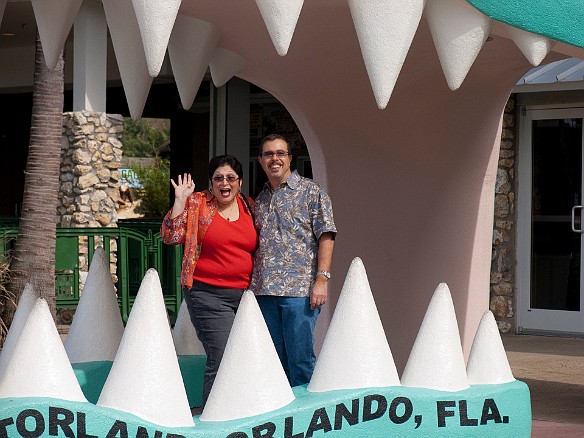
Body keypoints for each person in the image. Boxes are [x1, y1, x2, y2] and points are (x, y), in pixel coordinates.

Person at [161, 155, 258, 408]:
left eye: (230, 178)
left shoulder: (250, 206)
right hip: (207, 294)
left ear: (240, 182)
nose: (224, 183)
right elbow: (171, 236)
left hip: (246, 296)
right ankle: (212, 416)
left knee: (245, 356)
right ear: (211, 183)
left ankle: (237, 410)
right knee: (222, 354)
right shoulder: (198, 203)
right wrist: (180, 199)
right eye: (218, 178)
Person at [250, 133, 337, 387]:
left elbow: (327, 236)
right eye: (268, 154)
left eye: (280, 153)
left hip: (298, 291)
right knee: (273, 362)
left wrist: (322, 279)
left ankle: (305, 421)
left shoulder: (312, 192)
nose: (274, 159)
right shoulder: (262, 197)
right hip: (264, 292)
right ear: (260, 160)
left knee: (300, 360)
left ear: (290, 158)